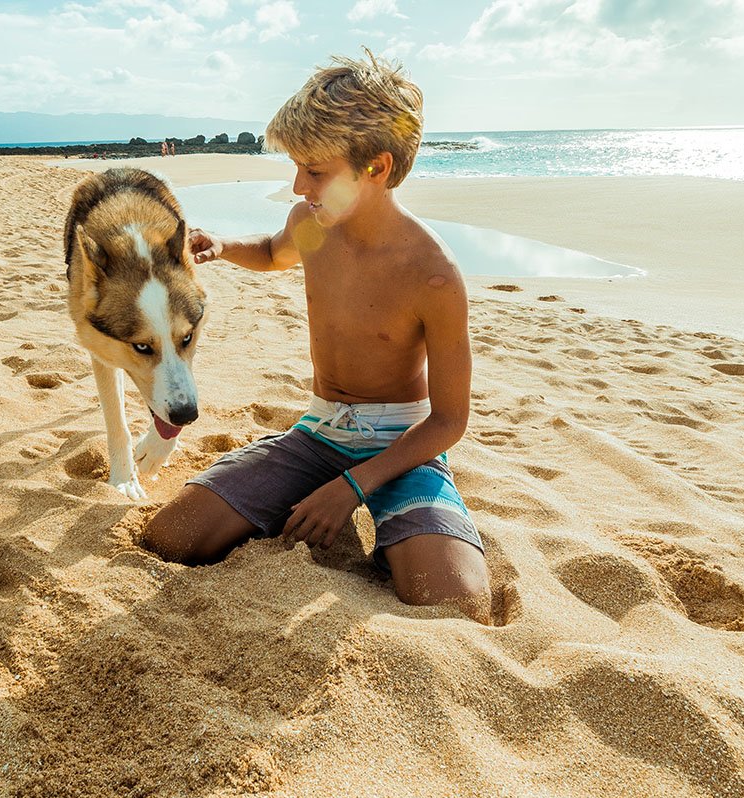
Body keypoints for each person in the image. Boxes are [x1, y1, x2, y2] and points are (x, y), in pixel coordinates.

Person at [141, 50, 491, 623]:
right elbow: (276, 253)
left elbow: (449, 420)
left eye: (316, 171)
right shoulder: (311, 225)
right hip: (319, 431)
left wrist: (353, 487)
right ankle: (288, 496)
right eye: (297, 167)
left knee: (455, 600)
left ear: (375, 168)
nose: (299, 185)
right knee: (173, 538)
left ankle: (398, 522)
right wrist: (225, 245)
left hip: (400, 448)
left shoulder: (432, 274)